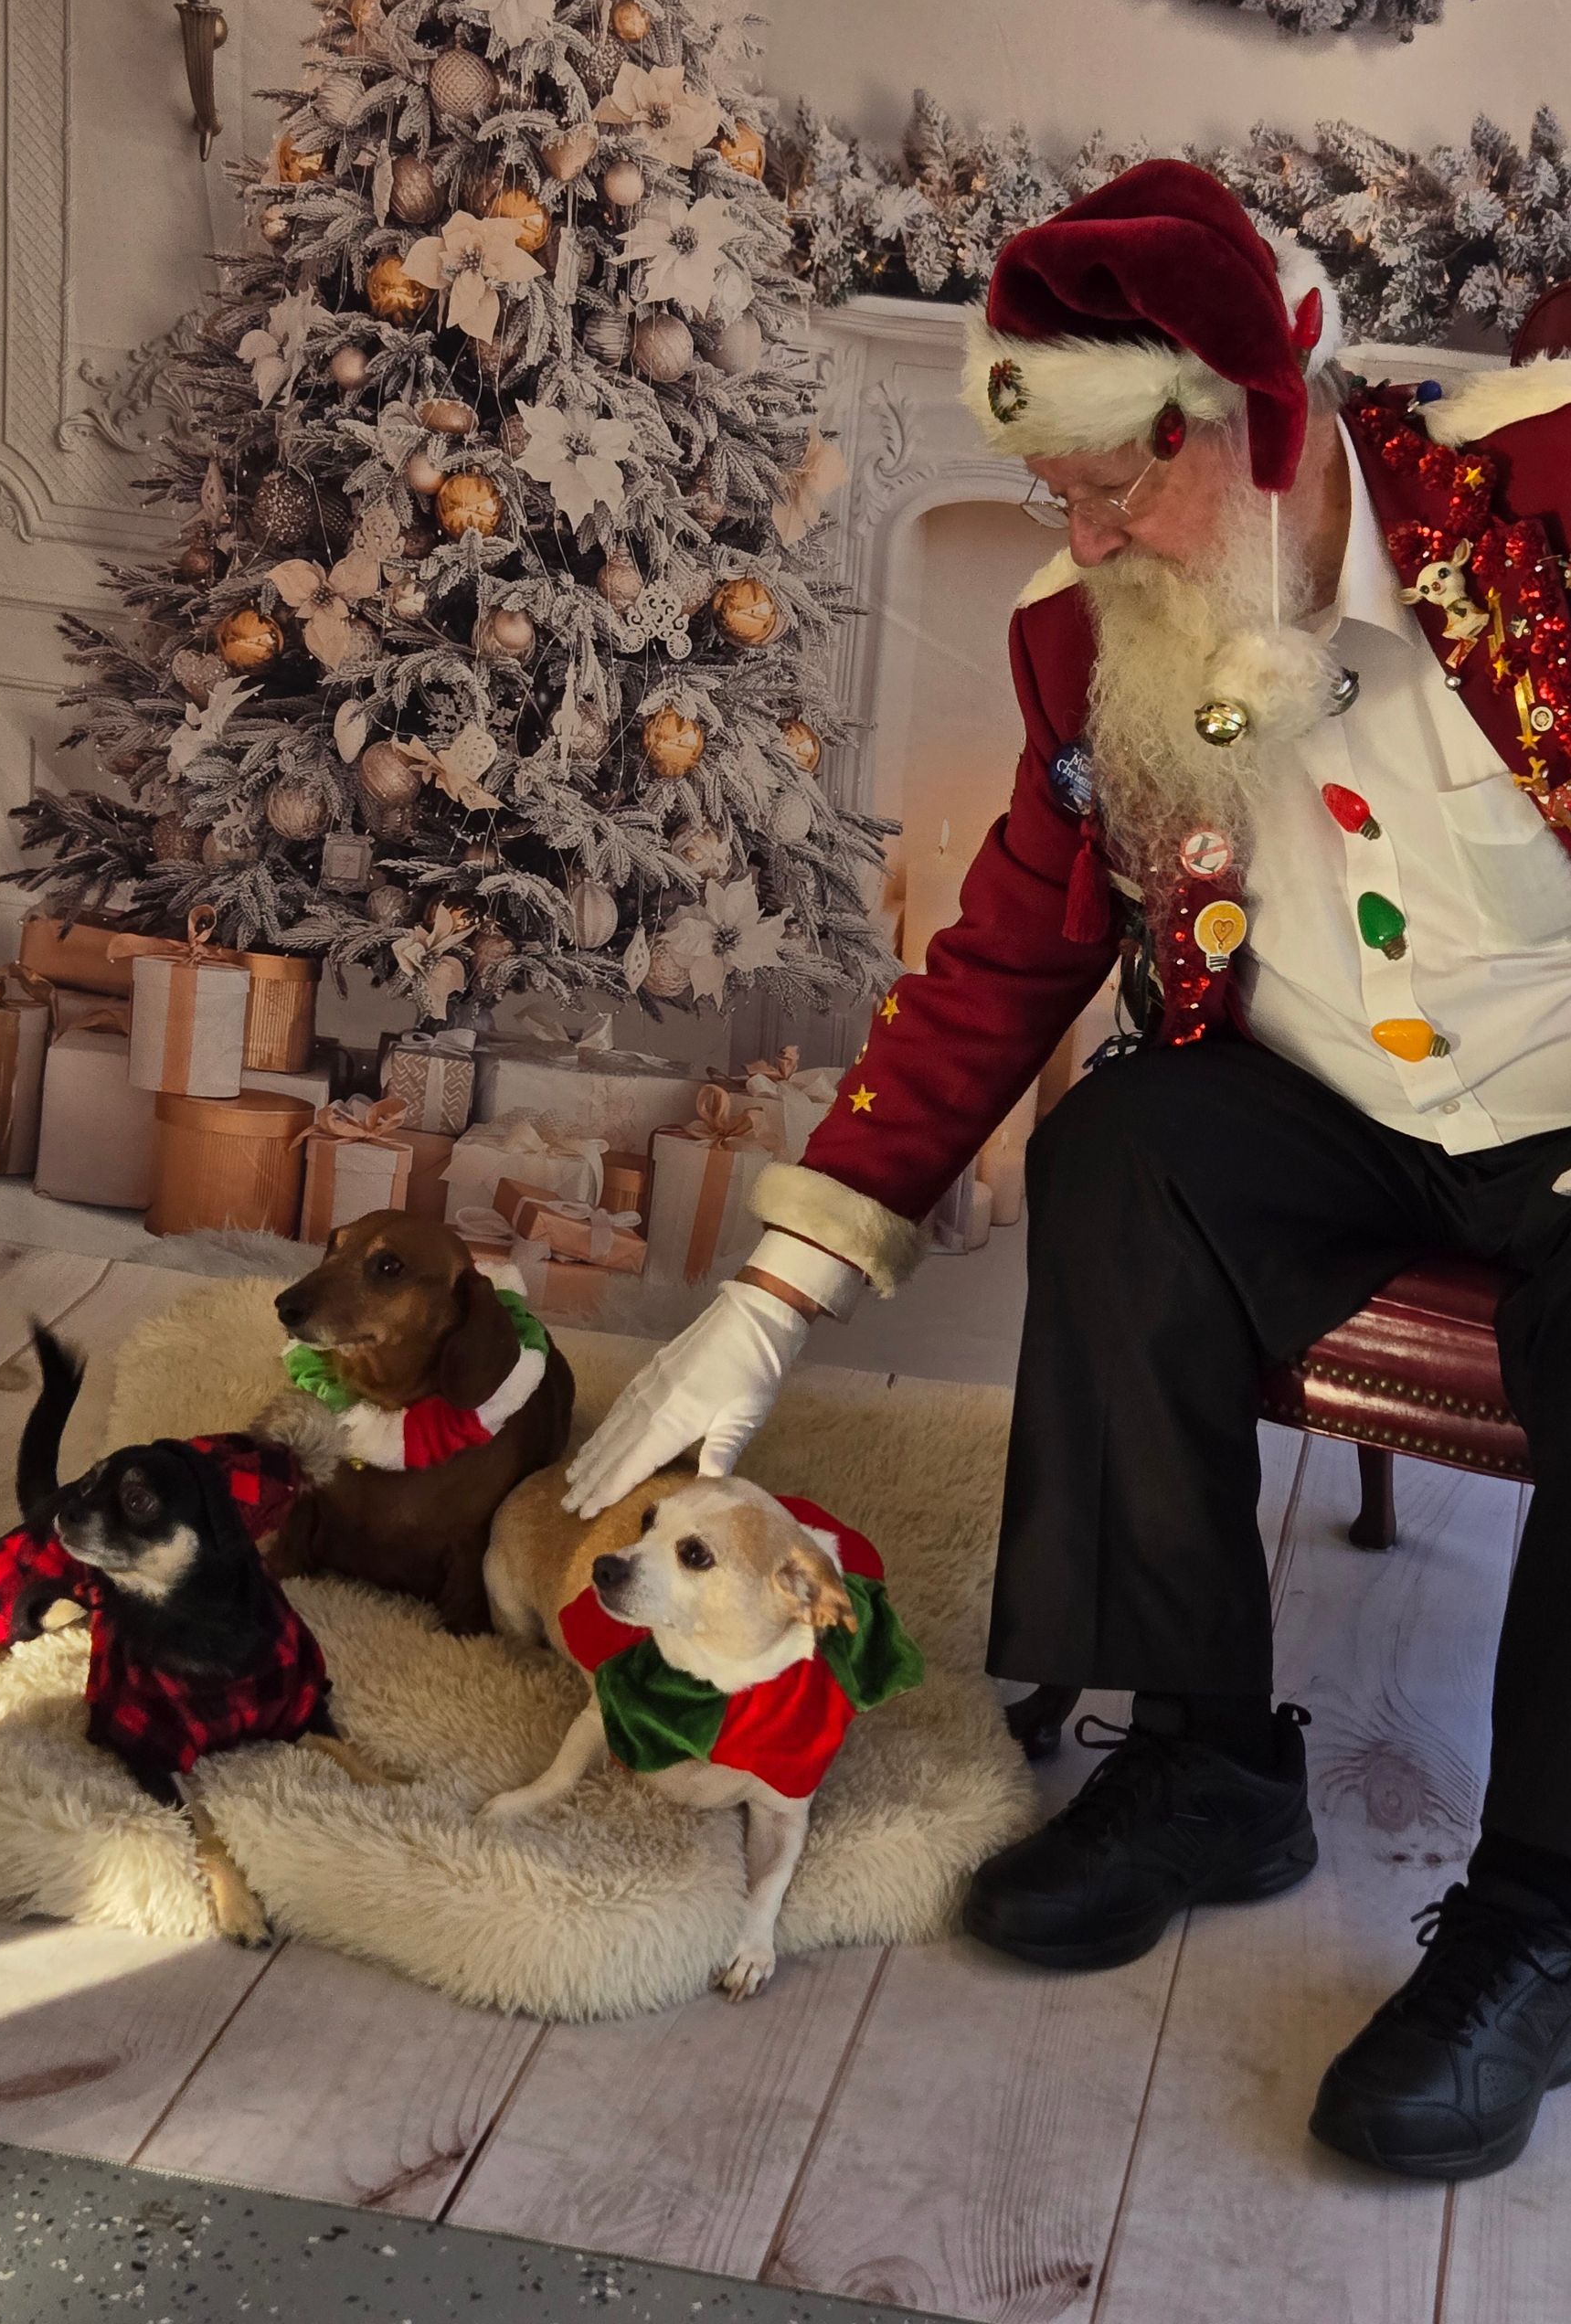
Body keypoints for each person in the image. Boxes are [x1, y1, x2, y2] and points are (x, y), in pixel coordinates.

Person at [564, 158, 1571, 2183]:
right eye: (1055, 495)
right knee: (1122, 1151)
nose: (1086, 537)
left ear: (1261, 425)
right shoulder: (1080, 646)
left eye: (1122, 485)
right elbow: (1009, 955)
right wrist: (767, 1309)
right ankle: (1206, 1754)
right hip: (1320, 1109)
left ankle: (1544, 1916)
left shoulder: (1531, 516)